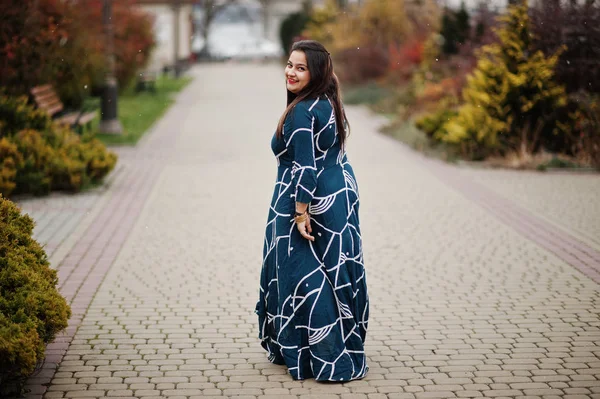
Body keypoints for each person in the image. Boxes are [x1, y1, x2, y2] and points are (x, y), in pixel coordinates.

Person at [255, 40, 369, 382]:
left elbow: (304, 166)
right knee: (335, 274)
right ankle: (336, 346)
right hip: (338, 195)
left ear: (316, 72)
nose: (291, 72)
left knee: (304, 277)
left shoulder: (303, 111)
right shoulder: (327, 102)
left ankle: (323, 358)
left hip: (307, 201)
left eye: (300, 68)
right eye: (290, 64)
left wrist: (300, 213)